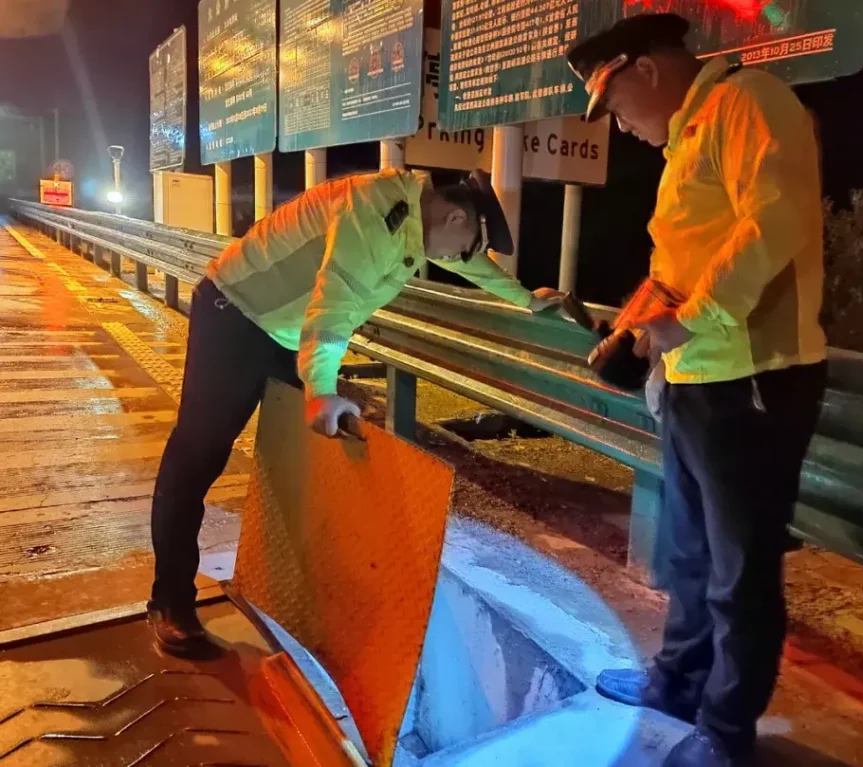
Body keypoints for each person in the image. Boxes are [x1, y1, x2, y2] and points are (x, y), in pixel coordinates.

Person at [148, 168, 563, 657]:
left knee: (300, 470)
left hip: (285, 333)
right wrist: (320, 390)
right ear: (455, 216)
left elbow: (473, 266)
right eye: (466, 245)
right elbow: (334, 306)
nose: (460, 259)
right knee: (198, 457)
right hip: (234, 312)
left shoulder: (416, 218)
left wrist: (525, 299)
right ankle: (169, 602)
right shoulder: (372, 210)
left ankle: (286, 592)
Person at [567, 14, 827, 767]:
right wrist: (633, 326)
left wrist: (689, 321)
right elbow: (680, 260)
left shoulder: (750, 101)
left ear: (644, 69)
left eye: (614, 107)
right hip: (694, 377)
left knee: (738, 569)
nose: (618, 126)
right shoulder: (689, 137)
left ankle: (725, 727)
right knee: (687, 556)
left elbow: (773, 222)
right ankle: (676, 684)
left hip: (753, 378)